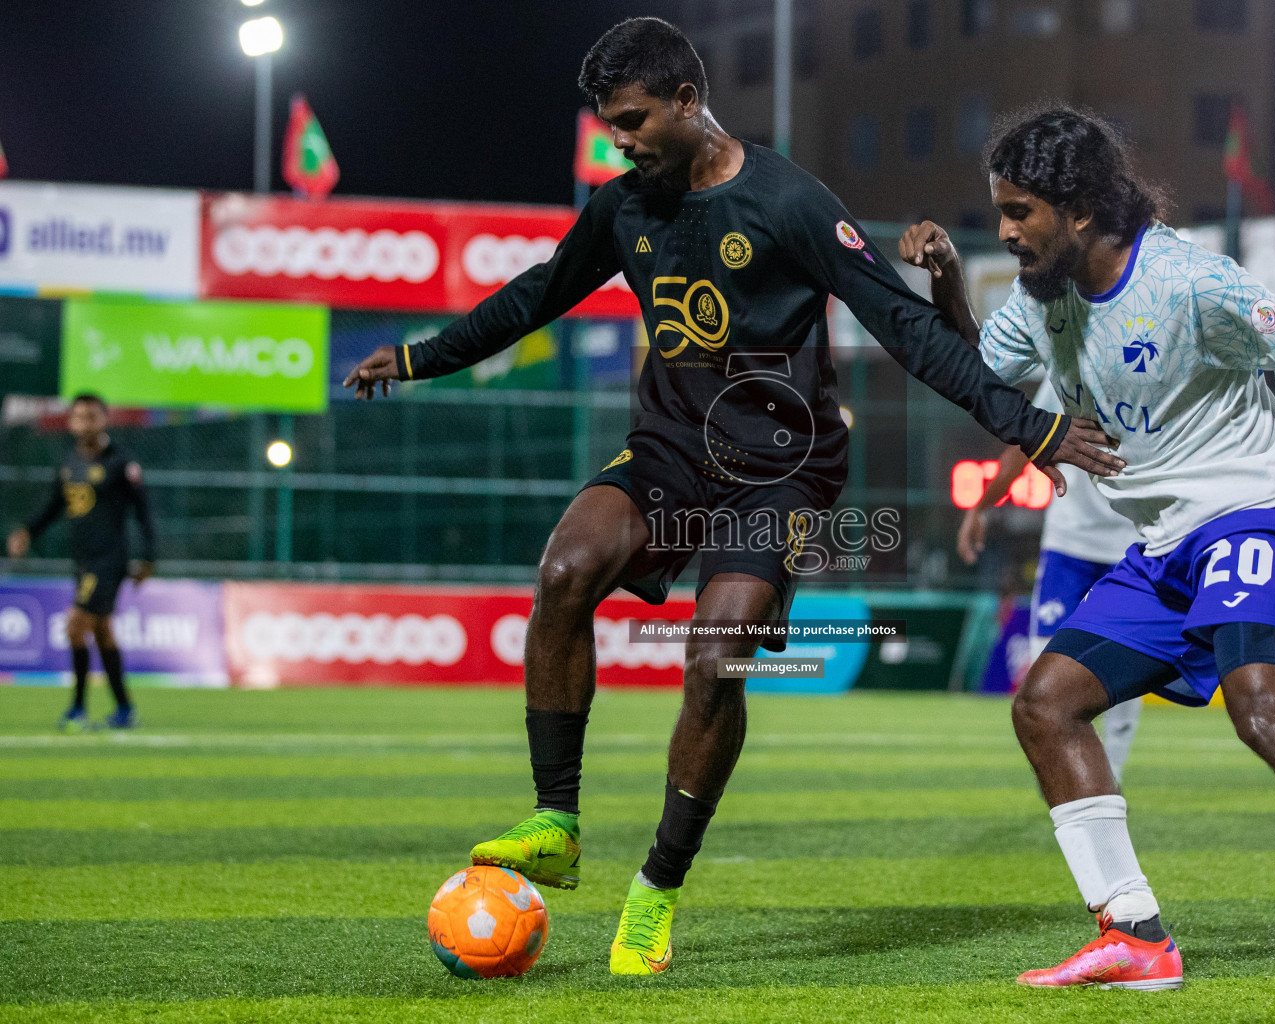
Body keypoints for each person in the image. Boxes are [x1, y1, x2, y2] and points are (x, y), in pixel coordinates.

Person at [342, 19, 1122, 977]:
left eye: (632, 121)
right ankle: (557, 819)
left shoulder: (789, 200)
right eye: (608, 125)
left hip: (782, 470)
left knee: (715, 665)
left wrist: (1028, 425)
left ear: (686, 100)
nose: (620, 141)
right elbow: (536, 295)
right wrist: (421, 356)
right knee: (564, 567)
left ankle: (656, 889)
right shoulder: (624, 207)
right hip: (671, 449)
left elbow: (905, 330)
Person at [899, 106, 1275, 1014]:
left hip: (1260, 513)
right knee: (1046, 706)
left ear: (1079, 210)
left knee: (1264, 708)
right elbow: (985, 383)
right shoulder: (1040, 300)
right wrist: (951, 287)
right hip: (1163, 545)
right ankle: (1135, 935)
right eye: (999, 210)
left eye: (1020, 211)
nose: (1005, 229)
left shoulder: (1190, 280)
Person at [954, 387, 1143, 783]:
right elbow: (1024, 442)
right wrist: (982, 506)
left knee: (1130, 662)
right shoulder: (1064, 373)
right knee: (1045, 671)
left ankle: (1113, 776)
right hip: (1068, 544)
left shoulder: (1148, 370)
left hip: (1132, 541)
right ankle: (1068, 770)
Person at [7, 394, 155, 732]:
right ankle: (124, 709)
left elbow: (144, 513)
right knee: (103, 632)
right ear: (71, 422)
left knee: (76, 624)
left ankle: (76, 709)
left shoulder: (120, 463)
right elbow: (52, 506)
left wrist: (148, 557)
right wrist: (27, 531)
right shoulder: (69, 463)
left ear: (105, 419)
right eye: (79, 417)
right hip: (83, 561)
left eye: (92, 416)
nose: (84, 423)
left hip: (110, 560)